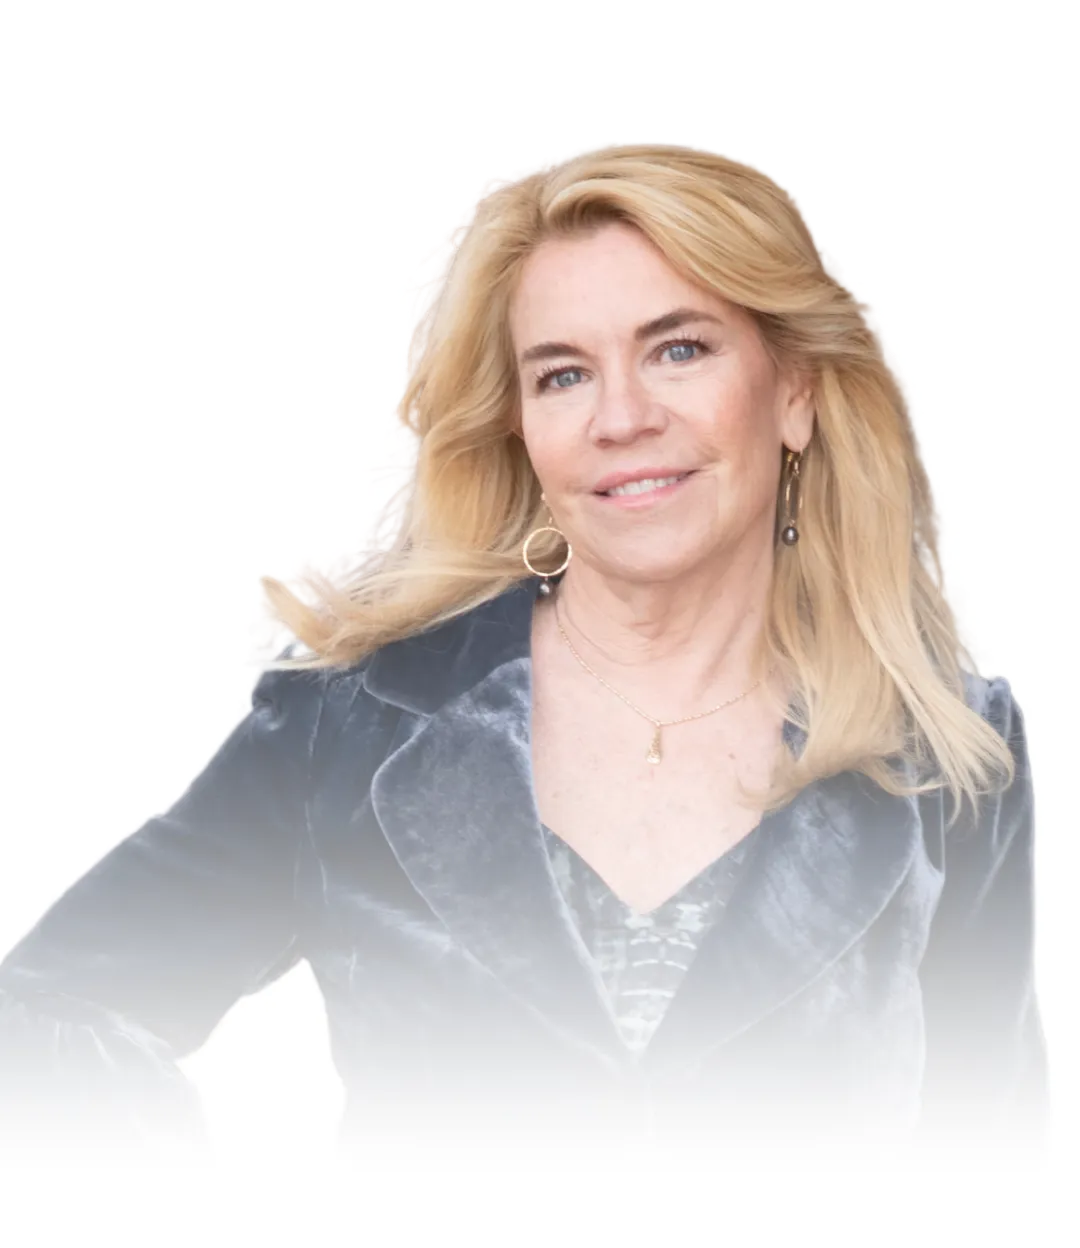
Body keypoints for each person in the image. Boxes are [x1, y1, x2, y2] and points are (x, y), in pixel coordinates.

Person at [0, 144, 1049, 1184]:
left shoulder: (948, 749)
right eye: (563, 374)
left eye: (680, 349)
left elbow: (996, 1179)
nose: (621, 418)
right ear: (522, 426)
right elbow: (45, 1017)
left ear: (795, 393)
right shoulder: (355, 722)